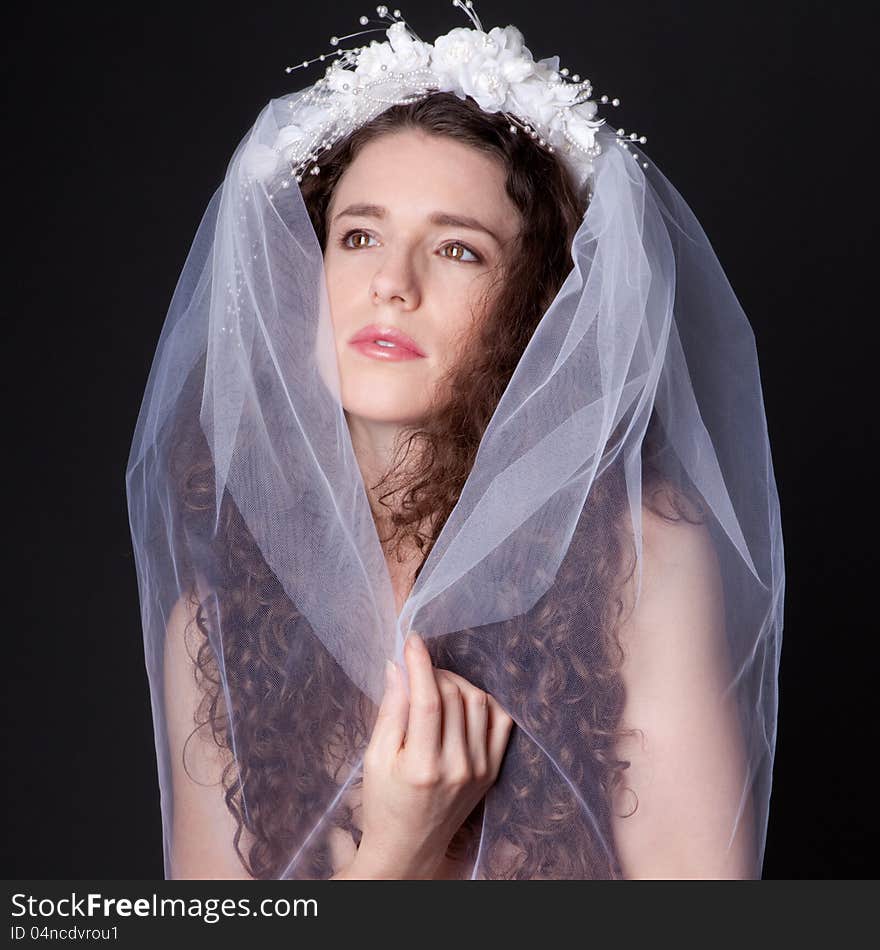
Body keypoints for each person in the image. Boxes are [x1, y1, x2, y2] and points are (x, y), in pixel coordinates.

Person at [126, 3, 784, 880]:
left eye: (458, 251)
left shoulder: (640, 567)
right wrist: (402, 844)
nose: (391, 285)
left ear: (537, 311)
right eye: (358, 235)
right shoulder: (212, 620)